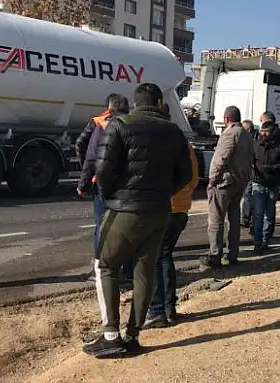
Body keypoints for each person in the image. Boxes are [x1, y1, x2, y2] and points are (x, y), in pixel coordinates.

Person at [82, 83, 192, 358]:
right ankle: (132, 337)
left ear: (136, 102)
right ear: (158, 102)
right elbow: (186, 173)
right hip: (160, 210)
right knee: (145, 270)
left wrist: (112, 197)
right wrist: (163, 193)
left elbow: (103, 169)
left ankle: (110, 335)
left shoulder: (119, 125)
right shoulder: (174, 131)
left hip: (125, 209)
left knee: (105, 264)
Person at [75, 94, 133, 283]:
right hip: (127, 185)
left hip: (102, 183)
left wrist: (83, 183)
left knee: (102, 227)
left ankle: (101, 271)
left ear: (109, 107)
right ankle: (126, 270)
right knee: (125, 227)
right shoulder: (134, 124)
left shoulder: (101, 124)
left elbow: (90, 156)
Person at [143, 141, 199, 329]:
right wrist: (184, 195)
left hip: (162, 208)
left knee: (156, 258)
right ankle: (169, 309)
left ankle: (158, 310)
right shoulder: (184, 144)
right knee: (165, 255)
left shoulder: (155, 143)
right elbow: (194, 177)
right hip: (181, 209)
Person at [200, 106, 254, 269]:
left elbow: (220, 159)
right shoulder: (246, 134)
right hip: (239, 182)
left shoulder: (229, 134)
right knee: (234, 220)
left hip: (224, 183)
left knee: (216, 220)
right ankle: (233, 254)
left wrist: (212, 181)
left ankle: (215, 255)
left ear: (226, 119)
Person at [251, 120, 280, 252]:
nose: (264, 133)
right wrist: (254, 173)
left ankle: (265, 240)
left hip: (272, 184)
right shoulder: (256, 145)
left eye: (266, 131)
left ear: (273, 132)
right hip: (258, 183)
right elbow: (251, 162)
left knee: (269, 215)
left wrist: (268, 168)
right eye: (262, 131)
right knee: (258, 214)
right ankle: (257, 242)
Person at [241, 119, 258, 229]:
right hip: (249, 170)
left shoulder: (255, 140)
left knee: (248, 195)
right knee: (249, 195)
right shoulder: (253, 138)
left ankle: (247, 219)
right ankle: (248, 218)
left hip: (253, 171)